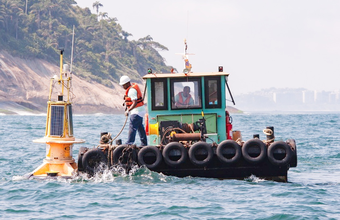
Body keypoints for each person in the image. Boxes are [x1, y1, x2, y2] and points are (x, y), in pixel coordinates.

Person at [119, 75, 147, 146]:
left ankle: (129, 143)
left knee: (132, 127)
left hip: (136, 111)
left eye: (123, 85)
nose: (123, 87)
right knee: (140, 127)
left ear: (127, 83)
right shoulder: (132, 88)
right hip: (141, 110)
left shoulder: (131, 91)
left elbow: (134, 102)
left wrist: (128, 110)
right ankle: (144, 143)